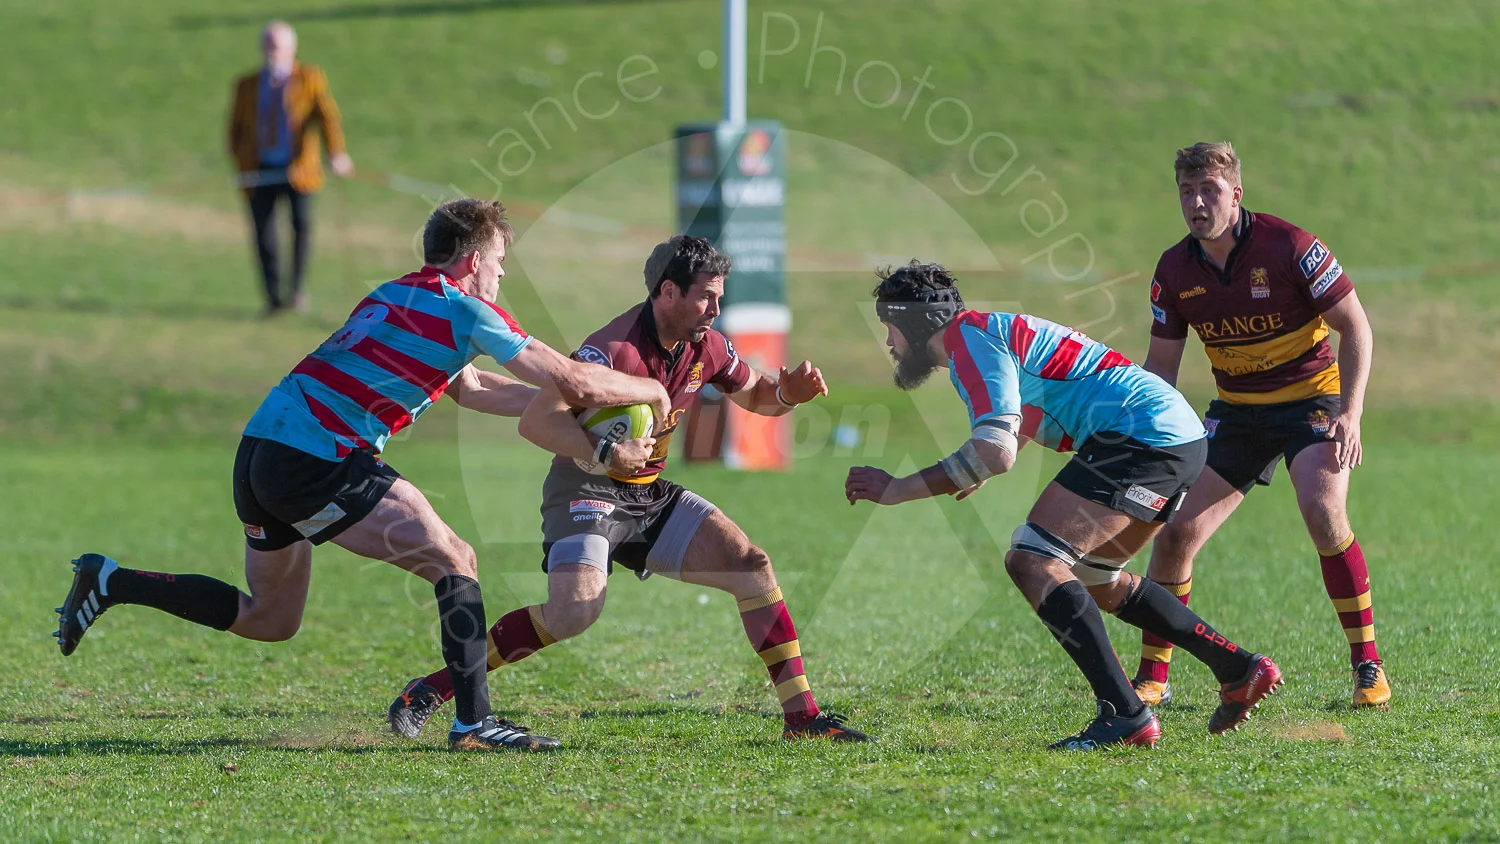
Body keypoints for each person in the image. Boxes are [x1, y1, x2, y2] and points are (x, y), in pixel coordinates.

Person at [54, 199, 670, 753]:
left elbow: (475, 389)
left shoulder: (394, 296)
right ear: (473, 258)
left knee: (271, 618)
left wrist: (580, 415)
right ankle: (474, 723)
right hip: (317, 460)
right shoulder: (466, 309)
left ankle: (112, 581)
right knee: (454, 558)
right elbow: (574, 377)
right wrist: (649, 389)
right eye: (501, 260)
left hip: (263, 450)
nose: (503, 273)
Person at [385, 235, 870, 744]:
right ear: (667, 292)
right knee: (574, 611)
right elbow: (537, 421)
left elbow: (757, 396)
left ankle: (803, 718)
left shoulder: (708, 344)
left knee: (751, 566)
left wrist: (787, 395)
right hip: (585, 487)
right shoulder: (612, 350)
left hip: (646, 491)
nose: (716, 307)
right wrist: (605, 454)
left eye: (719, 296)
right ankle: (435, 688)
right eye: (706, 296)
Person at [844, 261, 1283, 750]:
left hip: (1141, 436)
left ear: (912, 322)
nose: (889, 344)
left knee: (1032, 560)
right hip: (1174, 436)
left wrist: (899, 487)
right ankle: (1239, 667)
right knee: (1098, 579)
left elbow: (995, 450)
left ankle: (1125, 716)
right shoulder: (985, 331)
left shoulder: (968, 341)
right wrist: (974, 470)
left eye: (889, 329)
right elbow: (1031, 410)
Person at [1131, 143, 1389, 710]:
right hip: (1238, 413)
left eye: (1209, 190)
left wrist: (1351, 410)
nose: (1197, 203)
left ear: (1235, 194)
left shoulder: (1290, 246)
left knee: (1323, 513)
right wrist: (1148, 440)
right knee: (1174, 533)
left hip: (1311, 404)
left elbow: (1357, 328)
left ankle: (1367, 666)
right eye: (1186, 191)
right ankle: (1154, 674)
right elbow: (1161, 370)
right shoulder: (1173, 271)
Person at [227, 20, 354, 314]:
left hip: (299, 171)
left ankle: (296, 291)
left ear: (291, 49)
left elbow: (327, 118)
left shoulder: (309, 79)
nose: (273, 51)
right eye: (269, 45)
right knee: (263, 233)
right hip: (259, 170)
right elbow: (234, 128)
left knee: (301, 228)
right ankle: (273, 298)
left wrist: (336, 153)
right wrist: (240, 161)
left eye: (279, 46)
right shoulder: (246, 84)